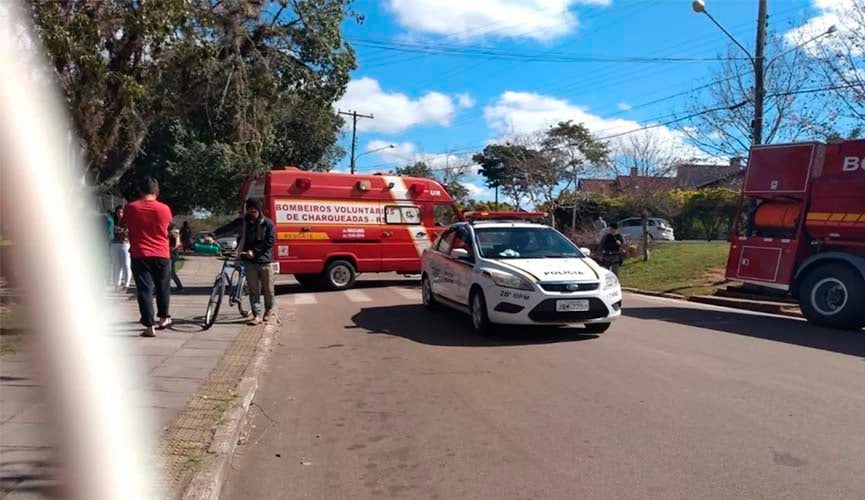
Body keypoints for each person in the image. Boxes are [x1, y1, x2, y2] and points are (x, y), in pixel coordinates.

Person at [124, 177, 173, 337]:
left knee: (144, 289)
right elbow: (168, 227)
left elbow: (126, 225)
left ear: (139, 191)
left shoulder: (131, 208)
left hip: (140, 253)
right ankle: (164, 317)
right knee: (162, 287)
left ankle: (149, 325)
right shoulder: (164, 209)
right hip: (161, 253)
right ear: (157, 191)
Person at [239, 199, 275, 325]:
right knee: (254, 290)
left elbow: (270, 241)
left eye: (255, 208)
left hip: (265, 262)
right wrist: (212, 235)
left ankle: (268, 310)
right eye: (250, 208)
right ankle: (257, 315)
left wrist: (254, 251)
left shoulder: (268, 223)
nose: (252, 210)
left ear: (259, 210)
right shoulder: (244, 222)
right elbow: (227, 228)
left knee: (268, 290)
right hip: (250, 263)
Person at [109, 205, 132, 292]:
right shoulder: (113, 221)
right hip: (114, 244)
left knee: (126, 264)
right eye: (118, 212)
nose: (120, 214)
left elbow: (128, 233)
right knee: (116, 265)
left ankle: (126, 284)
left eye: (121, 212)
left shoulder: (127, 222)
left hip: (124, 244)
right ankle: (117, 284)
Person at [168, 223, 184, 292]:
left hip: (172, 254)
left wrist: (172, 248)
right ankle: (167, 286)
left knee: (171, 272)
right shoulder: (171, 234)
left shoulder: (174, 234)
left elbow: (177, 244)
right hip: (171, 254)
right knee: (169, 271)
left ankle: (179, 287)